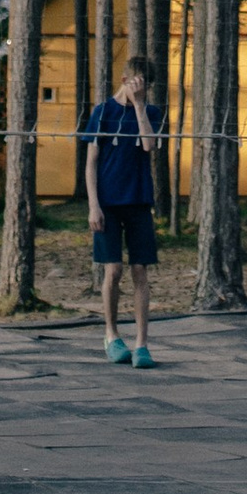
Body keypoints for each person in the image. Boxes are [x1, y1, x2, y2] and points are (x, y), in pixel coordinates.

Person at [85, 56, 164, 367]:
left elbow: (148, 146)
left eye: (145, 86)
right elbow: (91, 162)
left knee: (140, 271)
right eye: (135, 84)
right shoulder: (103, 112)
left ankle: (142, 344)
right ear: (124, 80)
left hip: (139, 200)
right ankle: (111, 334)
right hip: (107, 202)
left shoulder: (152, 112)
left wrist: (141, 106)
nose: (139, 89)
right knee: (113, 270)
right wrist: (94, 205)